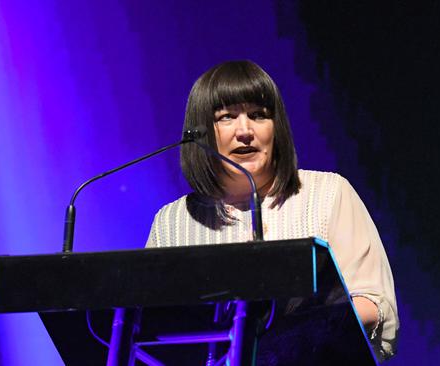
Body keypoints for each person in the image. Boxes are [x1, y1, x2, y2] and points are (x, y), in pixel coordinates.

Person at [146, 60, 398, 361]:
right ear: (199, 133)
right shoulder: (173, 221)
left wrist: (280, 343)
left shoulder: (328, 193)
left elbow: (373, 303)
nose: (245, 131)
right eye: (226, 117)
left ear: (276, 128)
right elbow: (150, 329)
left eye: (258, 115)